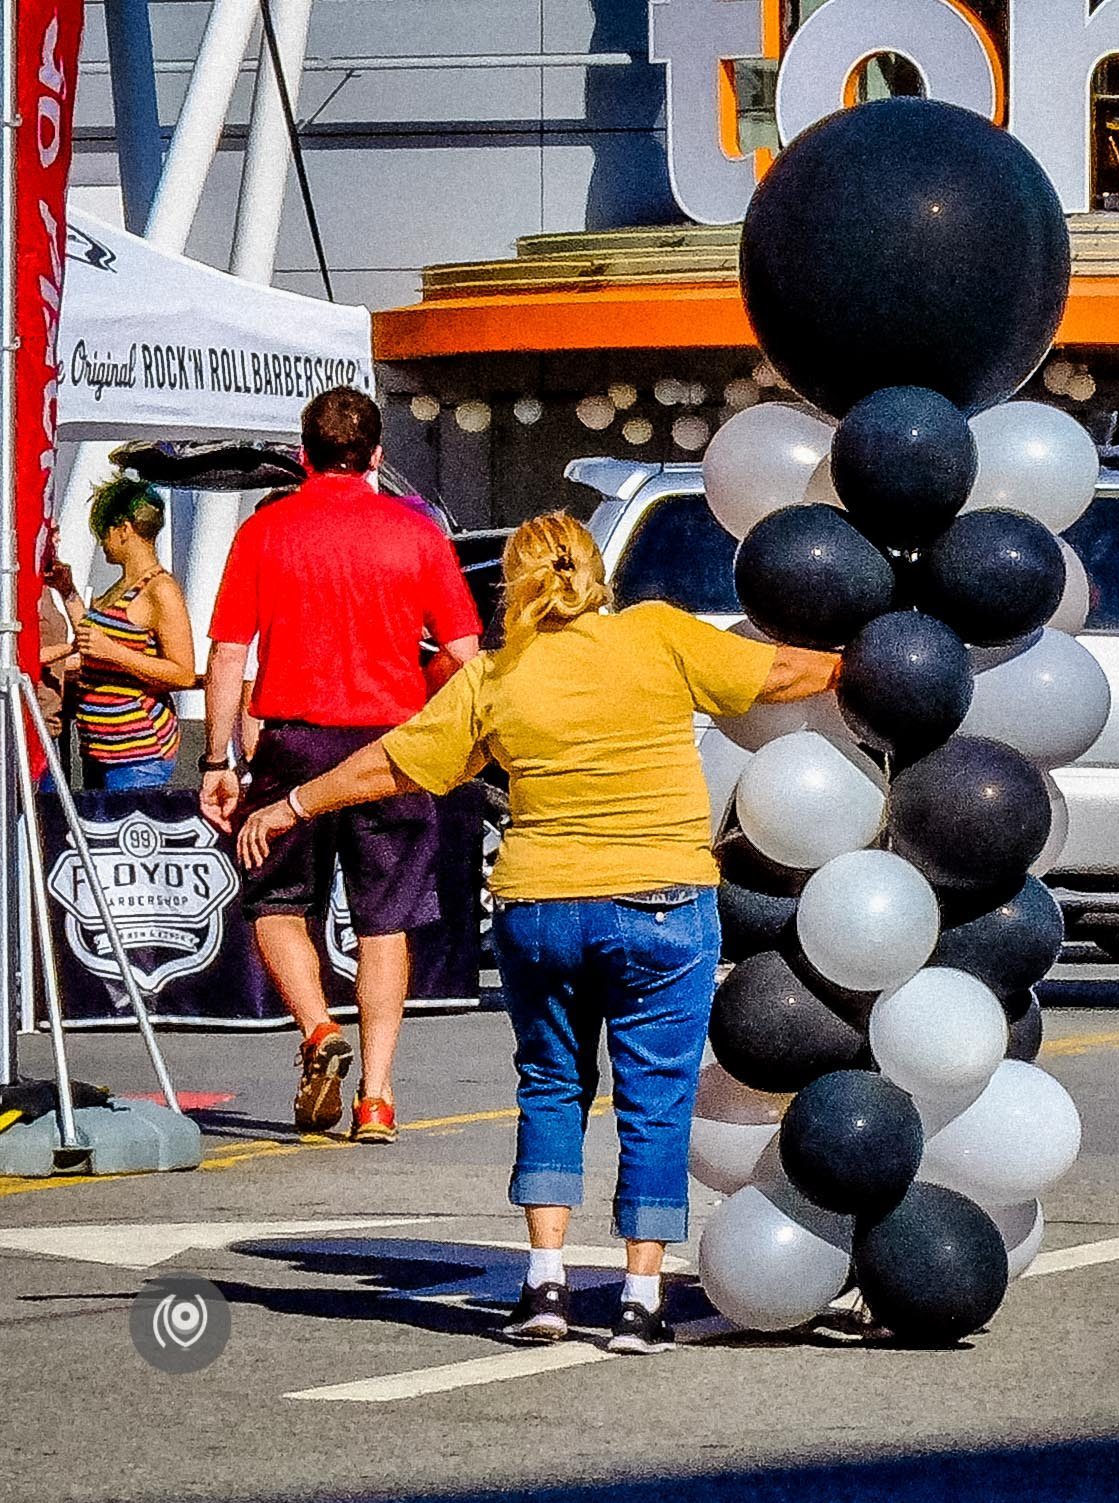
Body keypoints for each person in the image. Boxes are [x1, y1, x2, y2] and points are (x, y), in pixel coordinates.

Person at [237, 512, 838, 1355]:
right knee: (654, 1102)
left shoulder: (493, 675)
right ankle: (637, 1301)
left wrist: (291, 802)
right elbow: (777, 673)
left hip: (540, 908)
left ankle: (544, 1286)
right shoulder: (658, 636)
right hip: (661, 903)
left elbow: (395, 762)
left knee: (552, 1087)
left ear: (512, 585)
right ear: (597, 574)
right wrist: (858, 664)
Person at [201, 387, 481, 1144]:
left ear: (302, 455)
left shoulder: (267, 531)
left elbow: (228, 653)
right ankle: (378, 1095)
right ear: (378, 457)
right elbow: (464, 657)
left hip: (294, 741)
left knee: (276, 900)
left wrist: (214, 757)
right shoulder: (416, 535)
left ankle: (319, 1026)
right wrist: (435, 718)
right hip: (390, 746)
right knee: (385, 919)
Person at [67, 476, 196, 791]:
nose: (101, 542)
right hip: (102, 749)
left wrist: (113, 652)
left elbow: (183, 674)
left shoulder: (160, 589)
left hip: (138, 756)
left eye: (103, 532)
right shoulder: (122, 586)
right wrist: (67, 591)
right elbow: (92, 641)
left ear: (124, 529)